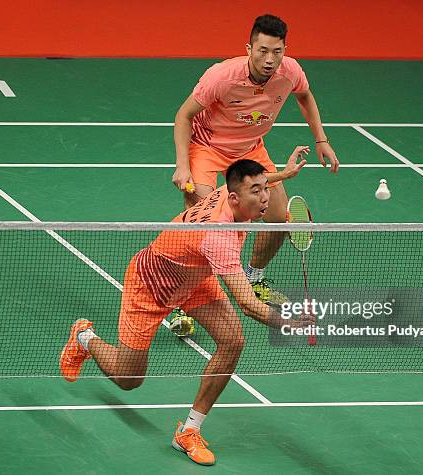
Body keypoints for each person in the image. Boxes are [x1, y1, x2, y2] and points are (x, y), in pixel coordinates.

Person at [60, 157, 311, 466]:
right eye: (256, 192)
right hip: (151, 284)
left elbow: (254, 181)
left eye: (265, 189)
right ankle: (84, 337)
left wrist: (282, 175)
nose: (265, 198)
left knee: (233, 340)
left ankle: (189, 430)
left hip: (194, 278)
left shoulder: (229, 195)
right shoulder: (219, 237)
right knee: (128, 380)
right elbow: (247, 304)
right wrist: (288, 320)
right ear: (234, 197)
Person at [172, 13, 339, 299]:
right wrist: (182, 166)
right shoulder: (221, 76)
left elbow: (305, 96)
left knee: (277, 217)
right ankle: (182, 297)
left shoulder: (291, 72)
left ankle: (253, 276)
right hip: (207, 147)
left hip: (250, 148)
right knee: (204, 223)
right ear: (250, 49)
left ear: (285, 50)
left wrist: (321, 140)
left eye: (277, 51)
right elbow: (183, 116)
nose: (269, 59)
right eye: (262, 51)